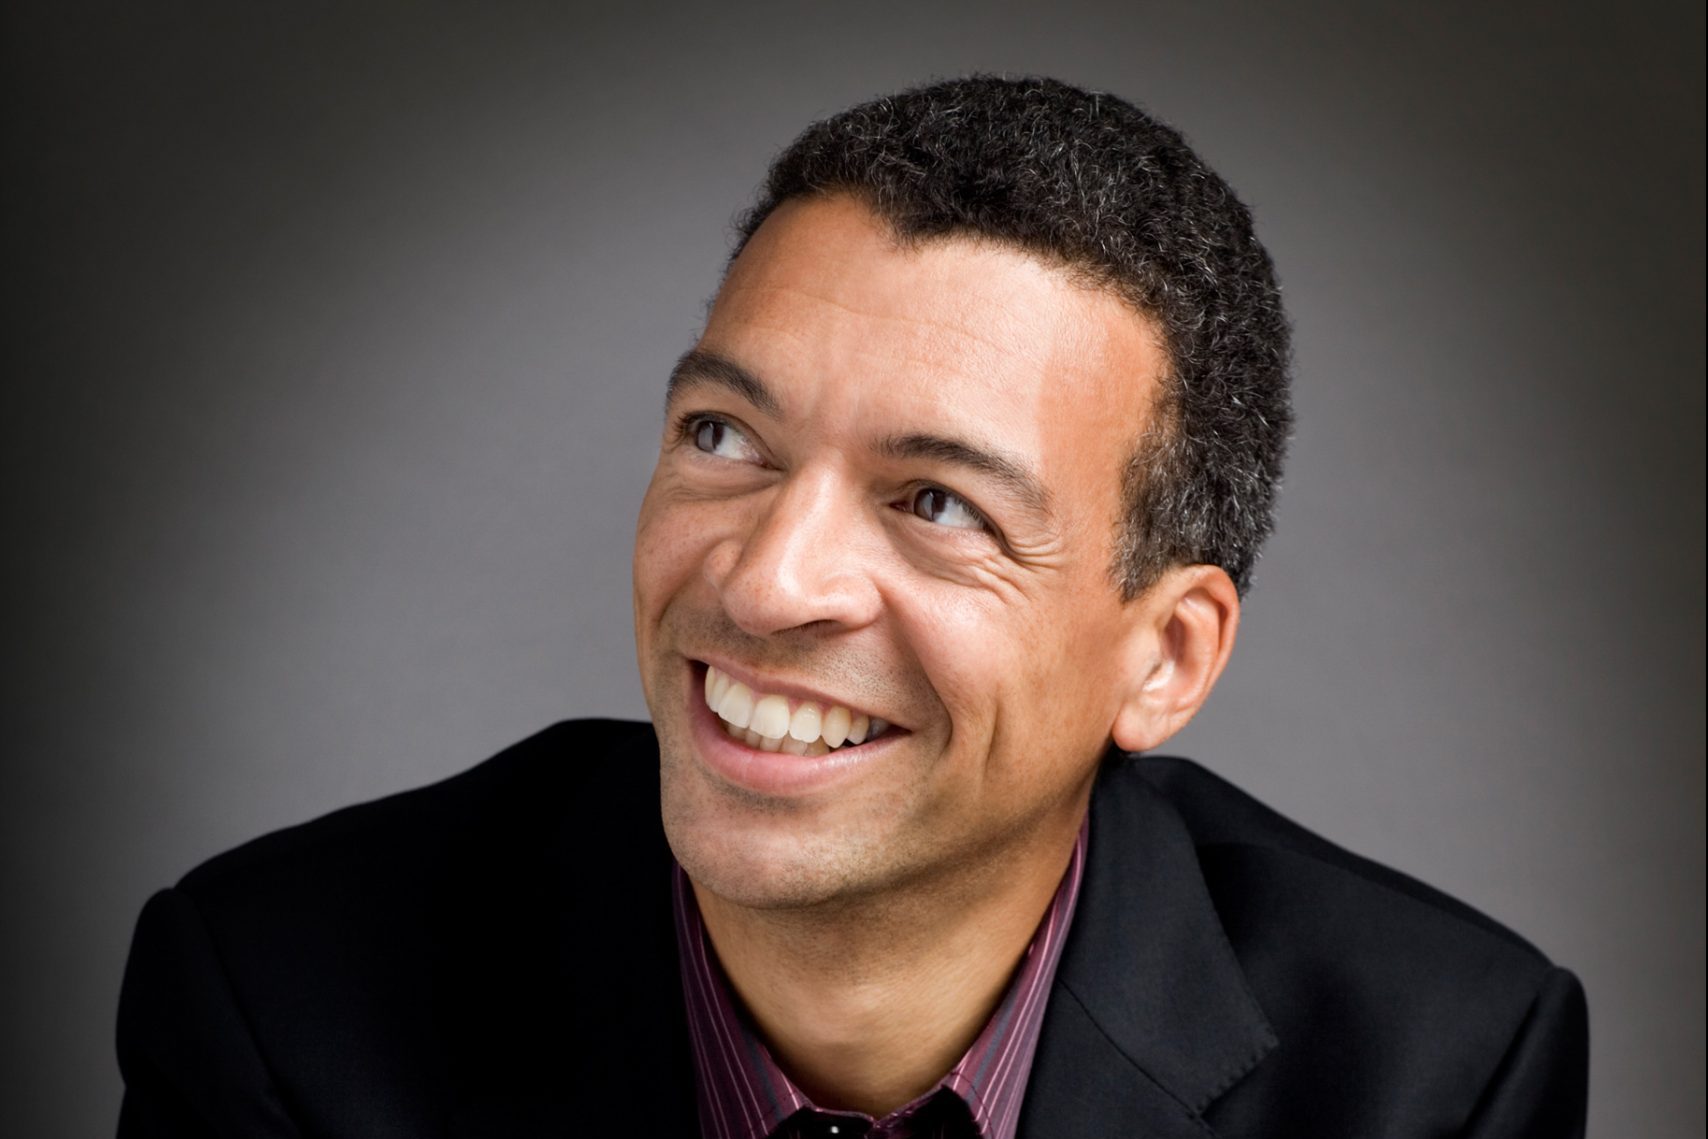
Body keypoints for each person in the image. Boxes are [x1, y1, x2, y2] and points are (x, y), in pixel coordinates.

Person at [115, 76, 1588, 1138]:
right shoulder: (280, 1005)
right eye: (724, 438)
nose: (766, 580)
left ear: (1165, 656)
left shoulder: (1432, 1074)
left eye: (937, 502)